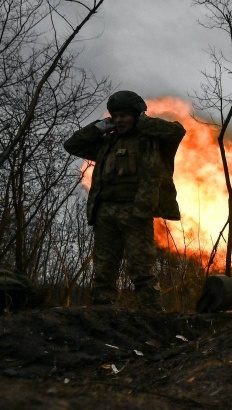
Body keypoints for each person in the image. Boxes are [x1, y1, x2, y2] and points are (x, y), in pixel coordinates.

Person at [64, 90, 186, 311]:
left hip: (136, 213)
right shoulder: (107, 144)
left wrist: (143, 122)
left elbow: (176, 131)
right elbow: (72, 145)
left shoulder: (150, 142)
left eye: (125, 115)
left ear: (136, 115)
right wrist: (98, 127)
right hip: (105, 213)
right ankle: (103, 315)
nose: (119, 120)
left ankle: (152, 317)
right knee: (103, 271)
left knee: (142, 270)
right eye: (116, 116)